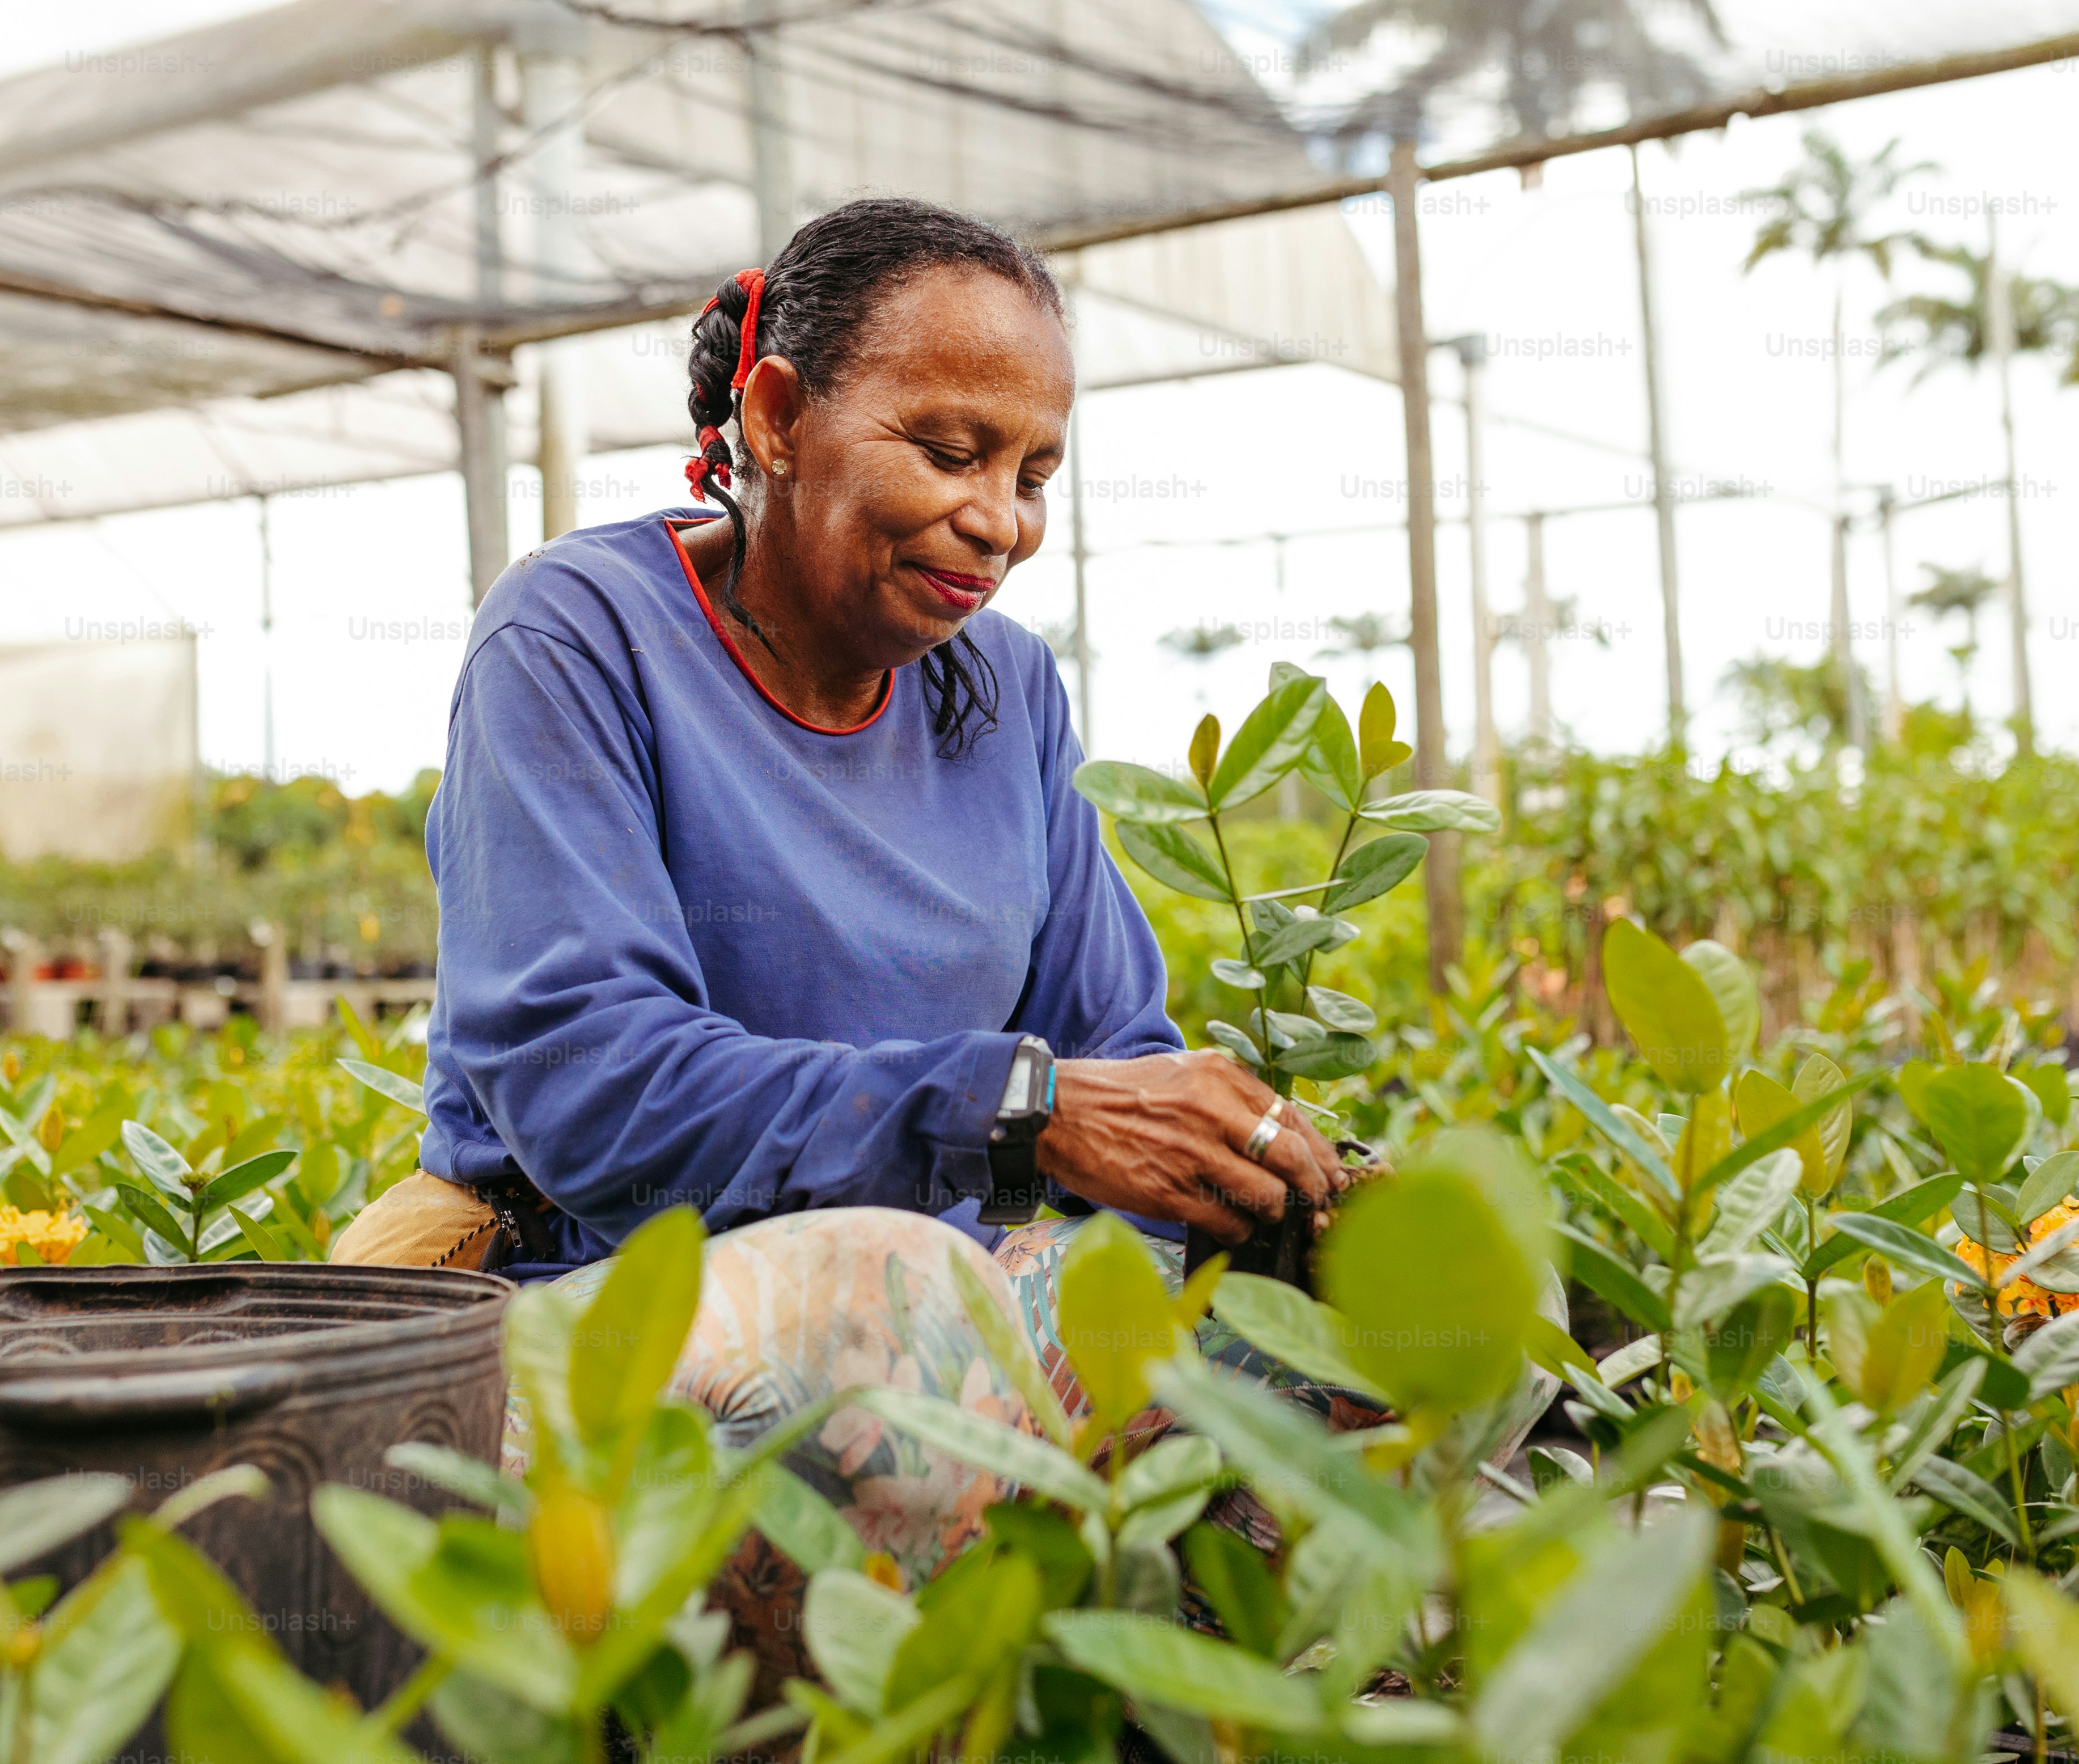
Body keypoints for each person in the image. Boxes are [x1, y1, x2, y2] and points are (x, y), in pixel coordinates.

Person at [333, 197, 1480, 1676]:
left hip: (944, 1322)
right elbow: (593, 1095)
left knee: (1372, 1302)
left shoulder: (1003, 695)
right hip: (606, 1312)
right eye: (949, 451)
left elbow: (1112, 1054)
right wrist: (1016, 1116)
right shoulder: (577, 637)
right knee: (896, 1292)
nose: (999, 519)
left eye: (1033, 472)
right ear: (779, 416)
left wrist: (1224, 1216)